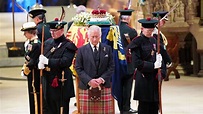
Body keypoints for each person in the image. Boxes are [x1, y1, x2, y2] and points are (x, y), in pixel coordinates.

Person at [38, 18, 77, 114]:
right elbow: (43, 56)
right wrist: (40, 63)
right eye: (51, 31)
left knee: (61, 109)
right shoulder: (47, 43)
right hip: (48, 81)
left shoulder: (68, 45)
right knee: (48, 109)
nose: (52, 33)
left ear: (62, 30)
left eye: (55, 31)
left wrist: (48, 61)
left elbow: (65, 62)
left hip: (61, 82)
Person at [127, 18, 167, 114]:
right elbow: (137, 63)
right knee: (145, 107)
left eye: (151, 30)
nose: (150, 32)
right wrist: (153, 65)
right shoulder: (137, 42)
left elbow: (162, 58)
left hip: (154, 80)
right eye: (148, 30)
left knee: (154, 106)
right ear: (142, 29)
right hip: (144, 79)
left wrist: (162, 70)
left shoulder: (154, 40)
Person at [75, 25, 115, 114]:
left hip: (104, 86)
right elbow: (78, 68)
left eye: (96, 37)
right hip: (86, 87)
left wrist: (101, 79)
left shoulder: (107, 49)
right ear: (88, 36)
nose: (94, 39)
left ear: (100, 36)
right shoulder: (81, 50)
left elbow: (111, 67)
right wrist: (89, 81)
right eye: (92, 37)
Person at [117, 8, 138, 113]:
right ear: (129, 18)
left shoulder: (115, 29)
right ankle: (126, 107)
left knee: (119, 85)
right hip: (128, 62)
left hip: (117, 62)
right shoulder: (131, 31)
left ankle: (121, 107)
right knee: (127, 86)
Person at [20, 22, 41, 114]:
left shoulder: (35, 44)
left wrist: (25, 70)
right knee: (32, 94)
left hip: (34, 73)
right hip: (31, 71)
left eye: (25, 32)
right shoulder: (30, 43)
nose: (24, 34)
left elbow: (31, 60)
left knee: (34, 93)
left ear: (31, 32)